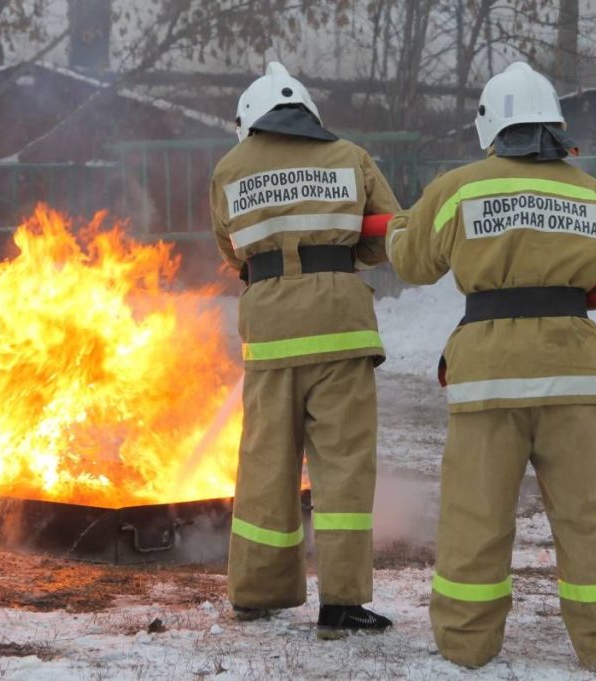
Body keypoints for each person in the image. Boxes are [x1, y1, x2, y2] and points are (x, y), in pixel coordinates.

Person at [385, 61, 596, 669]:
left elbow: (412, 261)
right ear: (555, 128)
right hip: (574, 379)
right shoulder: (595, 195)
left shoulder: (460, 188)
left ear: (491, 127)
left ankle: (466, 644)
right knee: (593, 518)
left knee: (475, 516)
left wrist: (402, 225)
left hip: (488, 379)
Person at [210, 62, 400, 638]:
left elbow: (232, 251)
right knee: (342, 469)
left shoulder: (229, 169)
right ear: (310, 113)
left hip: (270, 334)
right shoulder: (350, 155)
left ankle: (258, 594)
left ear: (250, 121)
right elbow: (382, 235)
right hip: (342, 330)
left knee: (266, 465)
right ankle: (340, 604)